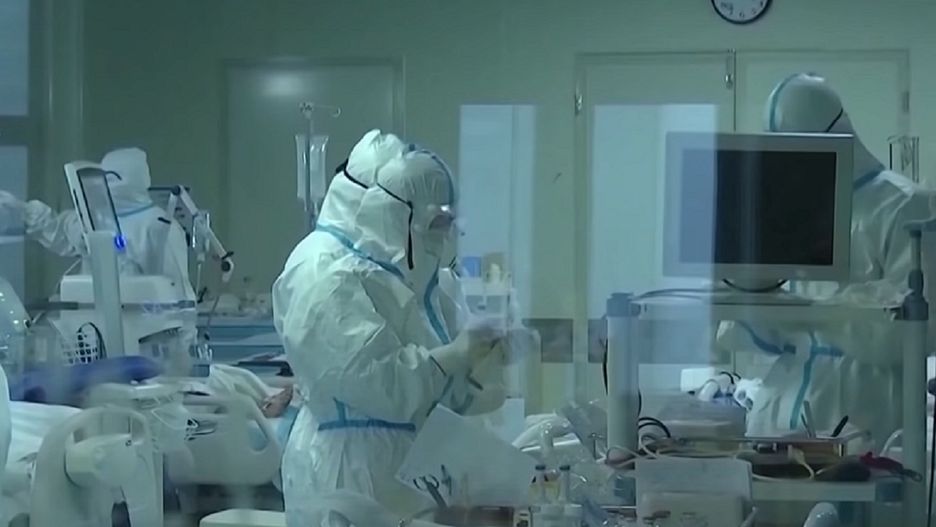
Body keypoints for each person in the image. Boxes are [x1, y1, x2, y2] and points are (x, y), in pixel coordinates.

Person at [273, 130, 506, 526]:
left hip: (409, 467)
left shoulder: (407, 269)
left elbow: (436, 379)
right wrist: (454, 356)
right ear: (389, 207)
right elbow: (375, 381)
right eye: (433, 223)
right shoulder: (322, 271)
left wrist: (479, 372)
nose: (440, 238)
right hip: (351, 469)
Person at [718, 73, 934, 446]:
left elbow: (913, 334)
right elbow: (768, 339)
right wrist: (752, 294)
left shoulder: (903, 204)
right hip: (781, 408)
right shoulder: (790, 208)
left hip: (865, 407)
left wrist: (810, 314)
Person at [0, 147, 192, 298]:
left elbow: (177, 292)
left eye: (111, 179)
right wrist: (20, 208)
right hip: (95, 323)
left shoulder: (159, 226)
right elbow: (61, 233)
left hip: (141, 329)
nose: (105, 186)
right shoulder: (98, 219)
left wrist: (180, 337)